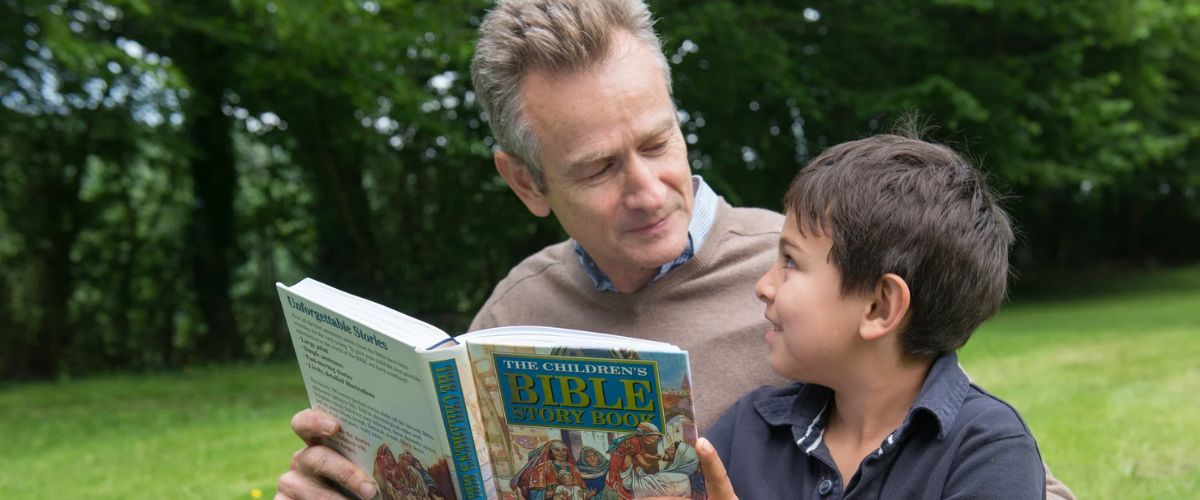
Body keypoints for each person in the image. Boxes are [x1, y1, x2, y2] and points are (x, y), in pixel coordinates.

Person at [277, 1, 1073, 498]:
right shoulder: (514, 311)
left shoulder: (817, 268)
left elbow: (965, 447)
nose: (652, 189)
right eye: (597, 168)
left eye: (659, 142)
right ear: (526, 182)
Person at [695, 132, 1047, 498]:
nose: (764, 286)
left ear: (880, 307)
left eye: (790, 261)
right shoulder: (748, 429)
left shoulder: (989, 453)